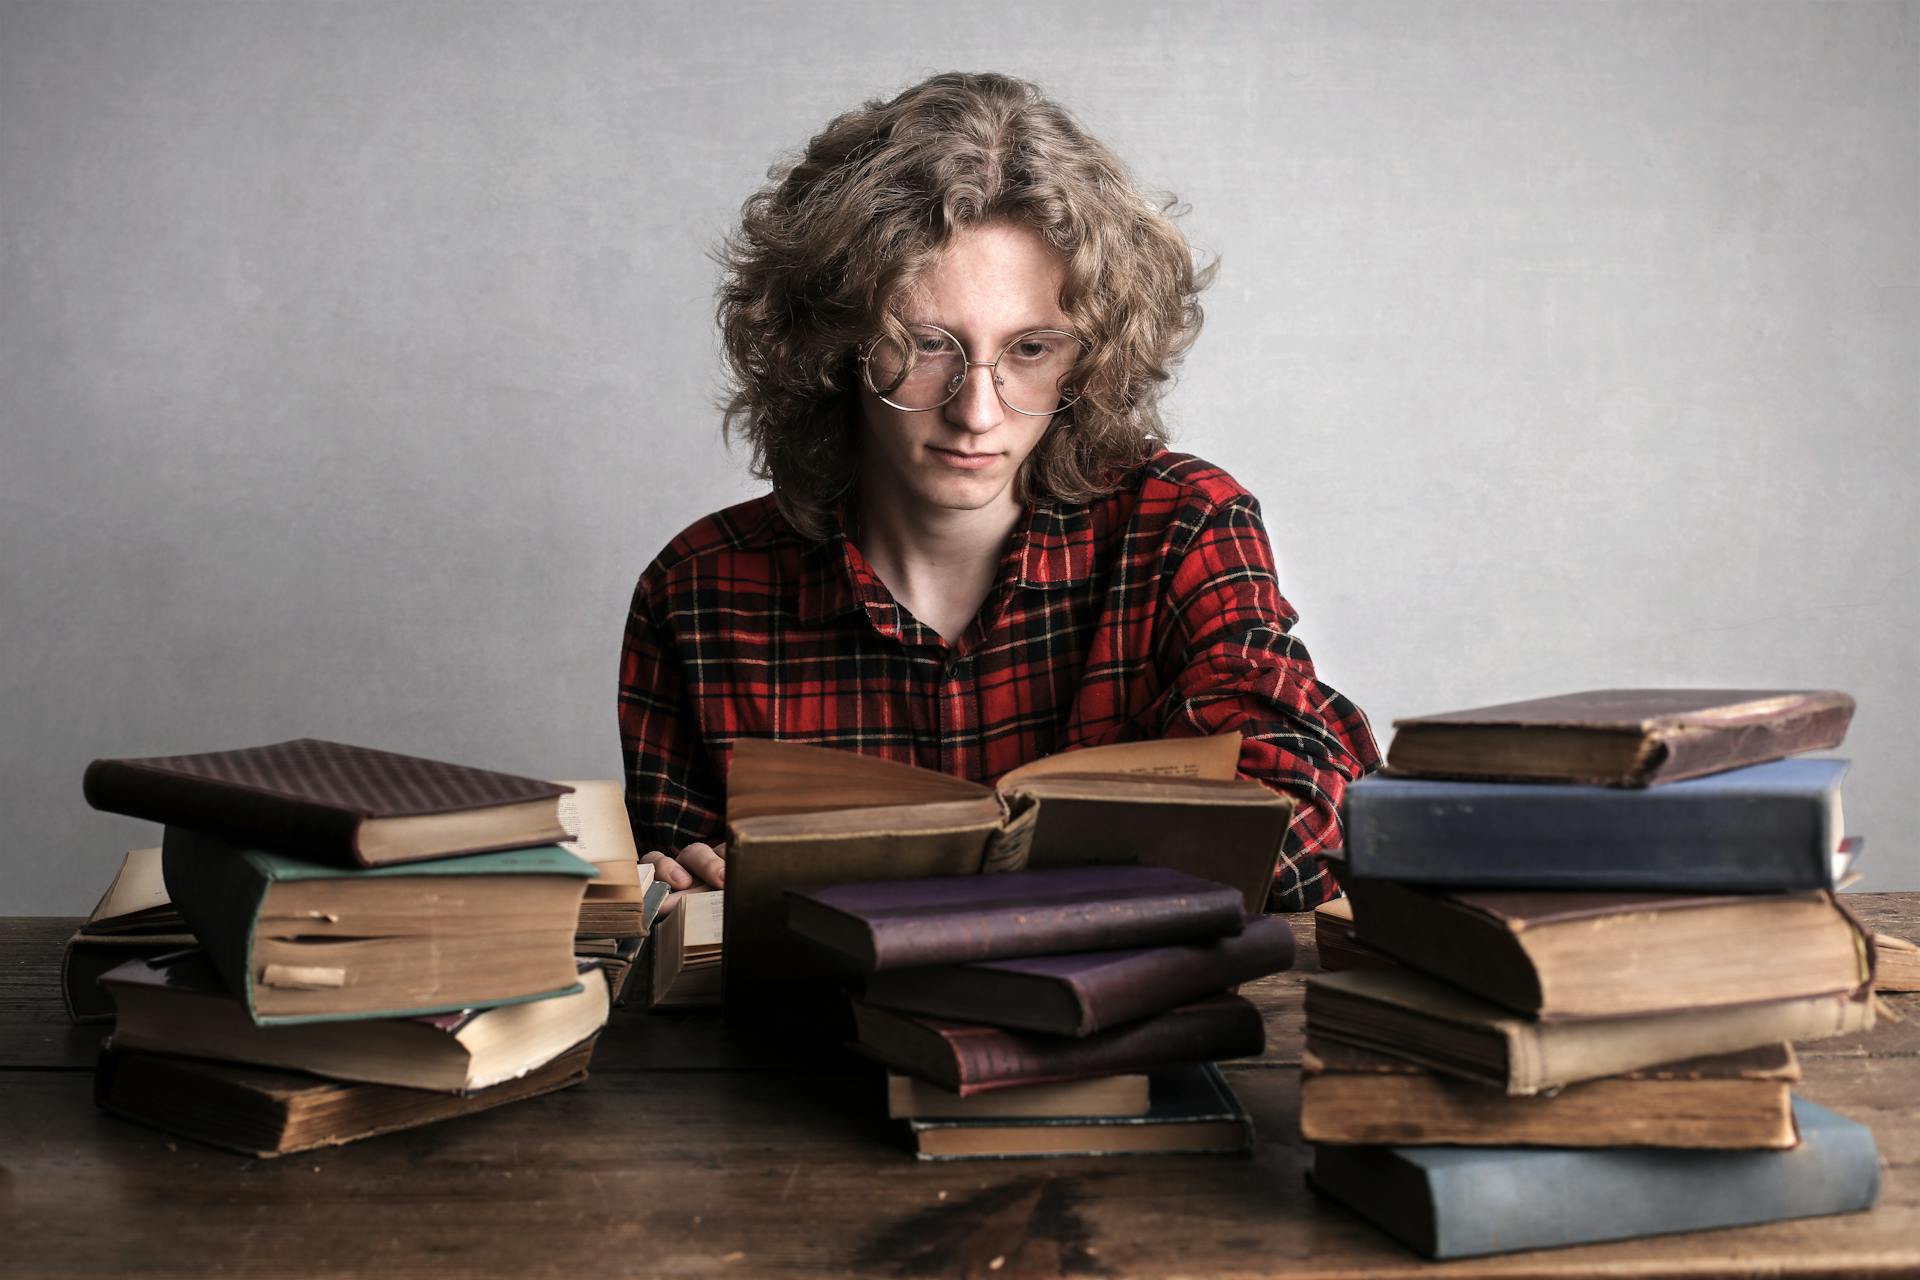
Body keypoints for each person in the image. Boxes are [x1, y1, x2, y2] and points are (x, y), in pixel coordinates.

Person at [620, 71, 1379, 914]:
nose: (976, 412)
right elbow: (680, 911)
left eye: (1029, 350)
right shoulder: (695, 593)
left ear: (1088, 360)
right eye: (927, 345)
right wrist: (684, 889)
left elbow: (1308, 818)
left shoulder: (1182, 526)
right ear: (836, 345)